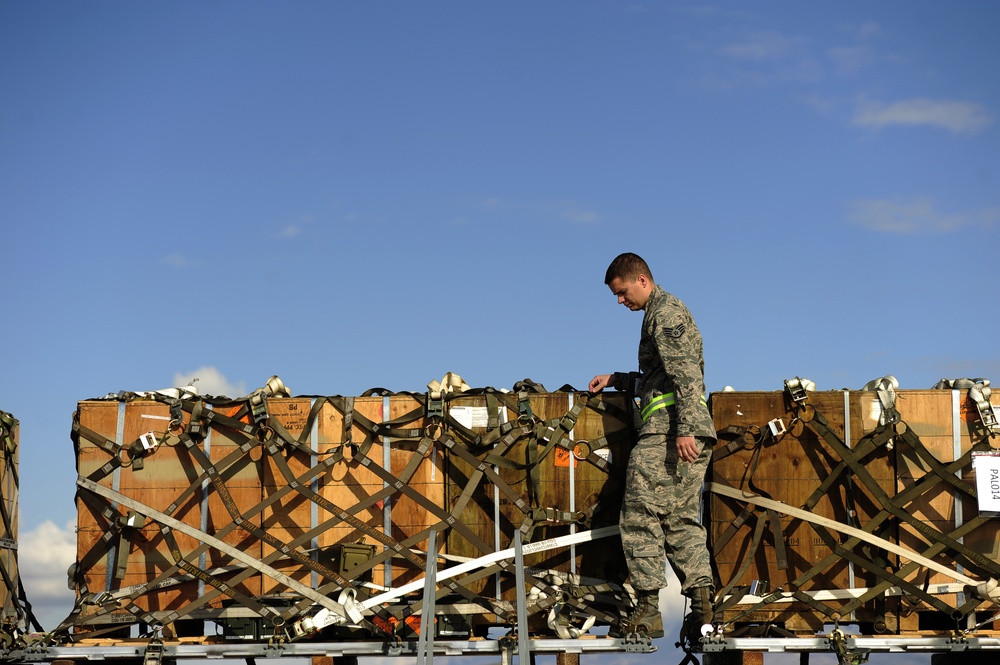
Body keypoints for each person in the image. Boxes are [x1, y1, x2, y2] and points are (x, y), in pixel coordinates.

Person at [588, 252, 716, 645]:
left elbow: (686, 374)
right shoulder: (659, 313)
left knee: (639, 513)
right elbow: (660, 376)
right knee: (678, 520)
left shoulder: (666, 314)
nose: (620, 301)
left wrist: (685, 429)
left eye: (622, 292)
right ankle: (702, 607)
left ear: (641, 280)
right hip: (675, 431)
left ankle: (646, 608)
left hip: (668, 434)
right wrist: (620, 378)